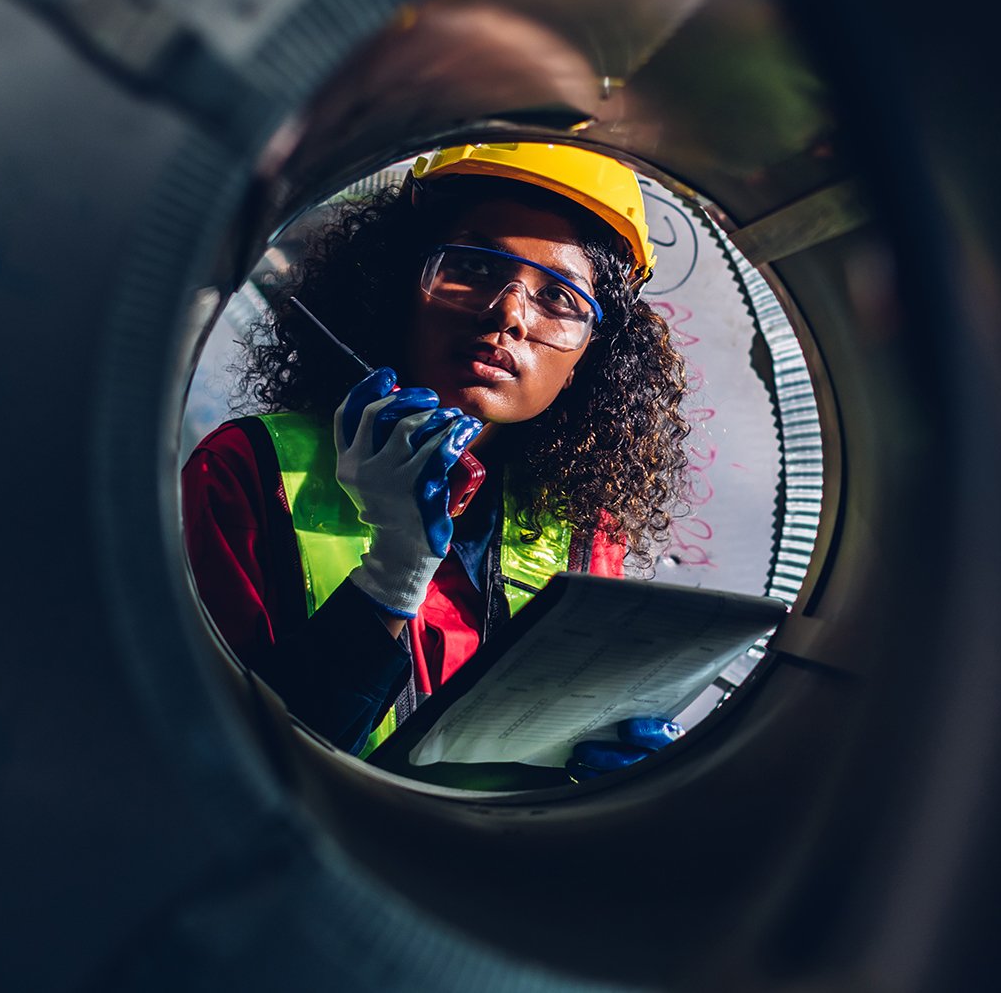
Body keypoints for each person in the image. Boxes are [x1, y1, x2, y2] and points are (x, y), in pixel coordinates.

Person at [180, 141, 693, 782]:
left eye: (558, 299)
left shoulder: (588, 529)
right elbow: (215, 762)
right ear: (395, 285)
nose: (507, 313)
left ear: (589, 357)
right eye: (474, 268)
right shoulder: (245, 471)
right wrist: (391, 579)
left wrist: (612, 784)